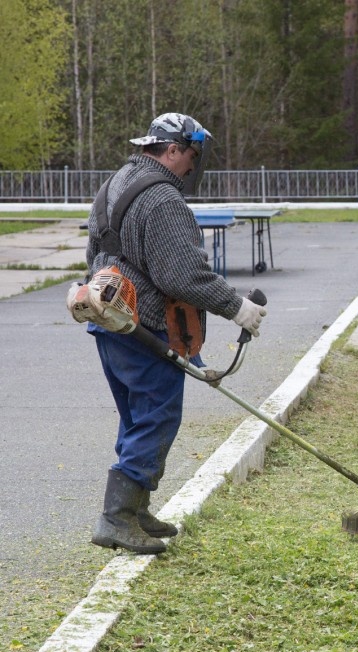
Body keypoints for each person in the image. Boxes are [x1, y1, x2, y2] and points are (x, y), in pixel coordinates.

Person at [85, 112, 267, 555]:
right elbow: (182, 275)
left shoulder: (117, 182)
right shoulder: (162, 199)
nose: (191, 166)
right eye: (191, 156)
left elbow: (94, 252)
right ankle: (117, 518)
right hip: (146, 328)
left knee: (136, 418)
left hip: (110, 319)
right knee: (157, 418)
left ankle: (136, 509)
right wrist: (237, 307)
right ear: (171, 150)